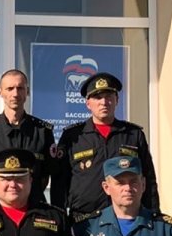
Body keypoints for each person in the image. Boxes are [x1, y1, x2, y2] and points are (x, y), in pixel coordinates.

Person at [51, 72, 159, 219]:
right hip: (84, 220)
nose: (104, 102)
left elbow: (148, 178)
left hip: (125, 217)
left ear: (117, 100)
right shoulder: (73, 136)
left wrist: (153, 214)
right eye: (97, 97)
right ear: (88, 103)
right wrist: (59, 218)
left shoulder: (133, 134)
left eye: (109, 96)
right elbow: (59, 182)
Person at [0, 70, 58, 205]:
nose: (15, 94)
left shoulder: (42, 132)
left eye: (20, 88)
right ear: (0, 92)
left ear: (27, 91)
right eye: (10, 89)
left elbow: (45, 176)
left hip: (32, 209)